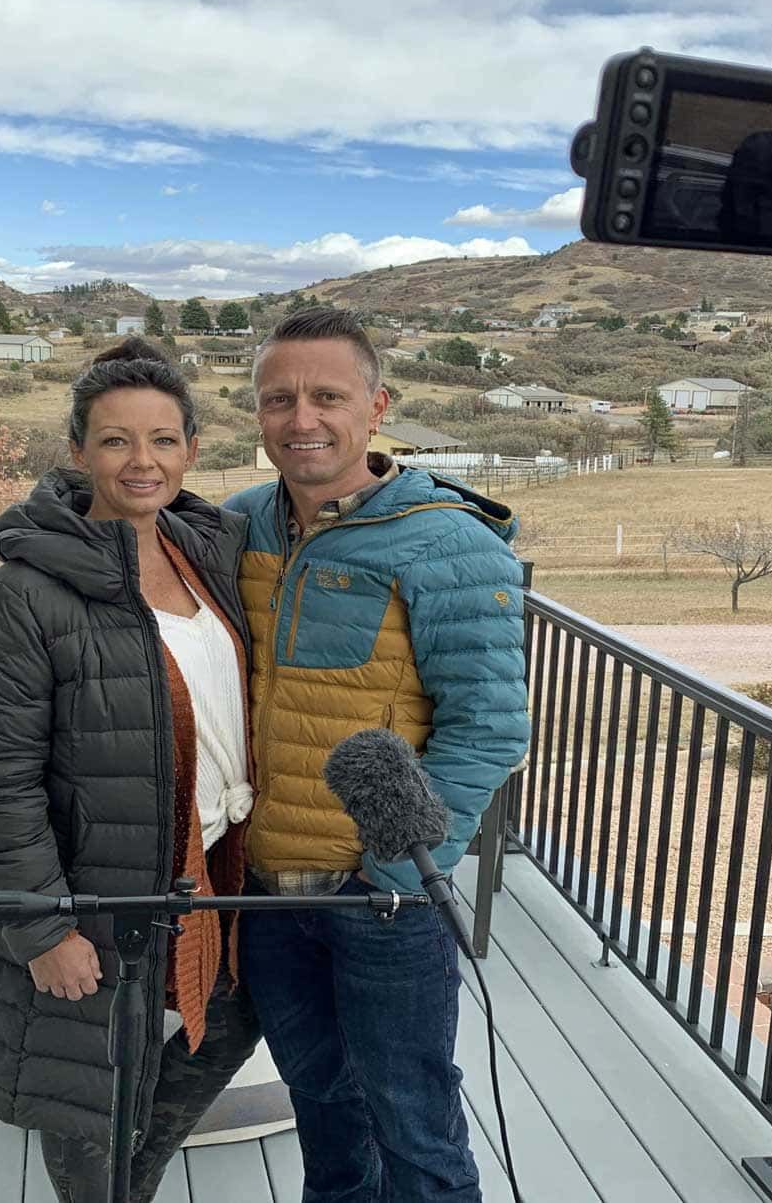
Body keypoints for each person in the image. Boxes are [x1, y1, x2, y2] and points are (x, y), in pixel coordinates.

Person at [0, 339, 261, 1203]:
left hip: (206, 866)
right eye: (115, 440)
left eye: (163, 439)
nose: (142, 461)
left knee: (233, 1017)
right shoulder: (23, 596)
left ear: (190, 449)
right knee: (86, 1098)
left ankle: (134, 1182)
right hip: (93, 888)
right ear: (78, 450)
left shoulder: (209, 553)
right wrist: (43, 928)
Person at [226, 308, 530, 1202]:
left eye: (328, 396)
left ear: (377, 405)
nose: (302, 419)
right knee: (324, 1111)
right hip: (264, 889)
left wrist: (395, 868)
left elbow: (489, 725)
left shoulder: (448, 543)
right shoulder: (239, 524)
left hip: (382, 900)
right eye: (279, 399)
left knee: (415, 1128)